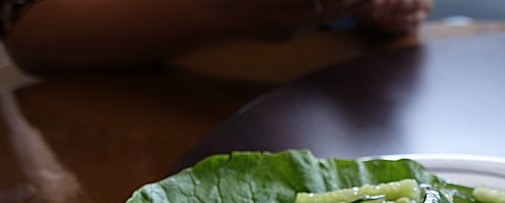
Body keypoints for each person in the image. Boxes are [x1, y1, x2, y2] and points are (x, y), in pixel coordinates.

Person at [1, 0, 435, 75]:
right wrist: (219, 14)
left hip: (333, 98)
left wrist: (396, 9)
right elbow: (30, 33)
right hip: (137, 107)